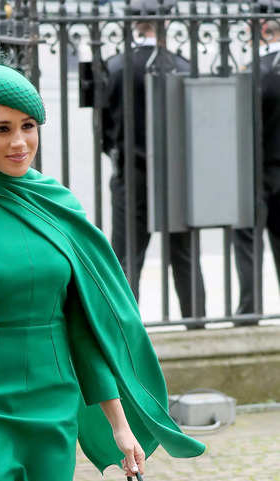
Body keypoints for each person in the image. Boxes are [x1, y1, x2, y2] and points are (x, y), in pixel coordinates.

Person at [0, 42, 205, 481]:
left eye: (28, 127)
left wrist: (119, 424)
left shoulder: (60, 203)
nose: (19, 142)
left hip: (53, 404)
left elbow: (84, 324)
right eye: (1, 130)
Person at [102, 4, 207, 321]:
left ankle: (126, 334)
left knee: (127, 259)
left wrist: (117, 152)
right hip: (178, 175)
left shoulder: (115, 66)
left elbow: (103, 128)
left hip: (131, 173)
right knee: (185, 257)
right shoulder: (184, 66)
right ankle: (196, 322)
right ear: (167, 23)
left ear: (135, 25)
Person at [233, 10, 280, 317]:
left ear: (261, 28)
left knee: (248, 241)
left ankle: (250, 309)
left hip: (256, 169)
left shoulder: (254, 71)